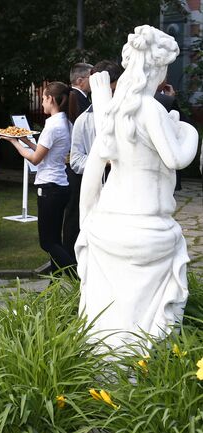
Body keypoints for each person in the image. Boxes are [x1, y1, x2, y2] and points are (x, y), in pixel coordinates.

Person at [77, 25, 198, 351]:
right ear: (157, 68)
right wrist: (189, 133)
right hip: (148, 229)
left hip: (109, 223)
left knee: (111, 313)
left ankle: (105, 369)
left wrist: (85, 220)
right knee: (140, 324)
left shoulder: (116, 109)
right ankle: (139, 372)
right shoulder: (149, 108)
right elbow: (175, 158)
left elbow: (94, 166)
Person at [1, 82, 76, 275]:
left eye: (43, 98)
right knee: (55, 240)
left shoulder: (53, 126)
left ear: (51, 99)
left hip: (50, 187)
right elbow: (44, 153)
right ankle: (56, 283)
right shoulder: (65, 122)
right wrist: (26, 141)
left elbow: (35, 160)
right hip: (59, 185)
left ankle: (78, 277)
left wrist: (14, 142)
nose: (42, 102)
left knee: (47, 242)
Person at [70, 60, 124, 176]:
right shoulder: (83, 120)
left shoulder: (129, 113)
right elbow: (75, 160)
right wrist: (102, 162)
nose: (112, 96)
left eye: (114, 91)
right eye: (108, 91)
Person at [62, 62, 93, 260]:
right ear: (81, 80)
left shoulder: (80, 98)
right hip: (75, 163)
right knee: (74, 211)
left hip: (76, 161)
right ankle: (71, 255)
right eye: (92, 77)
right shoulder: (76, 99)